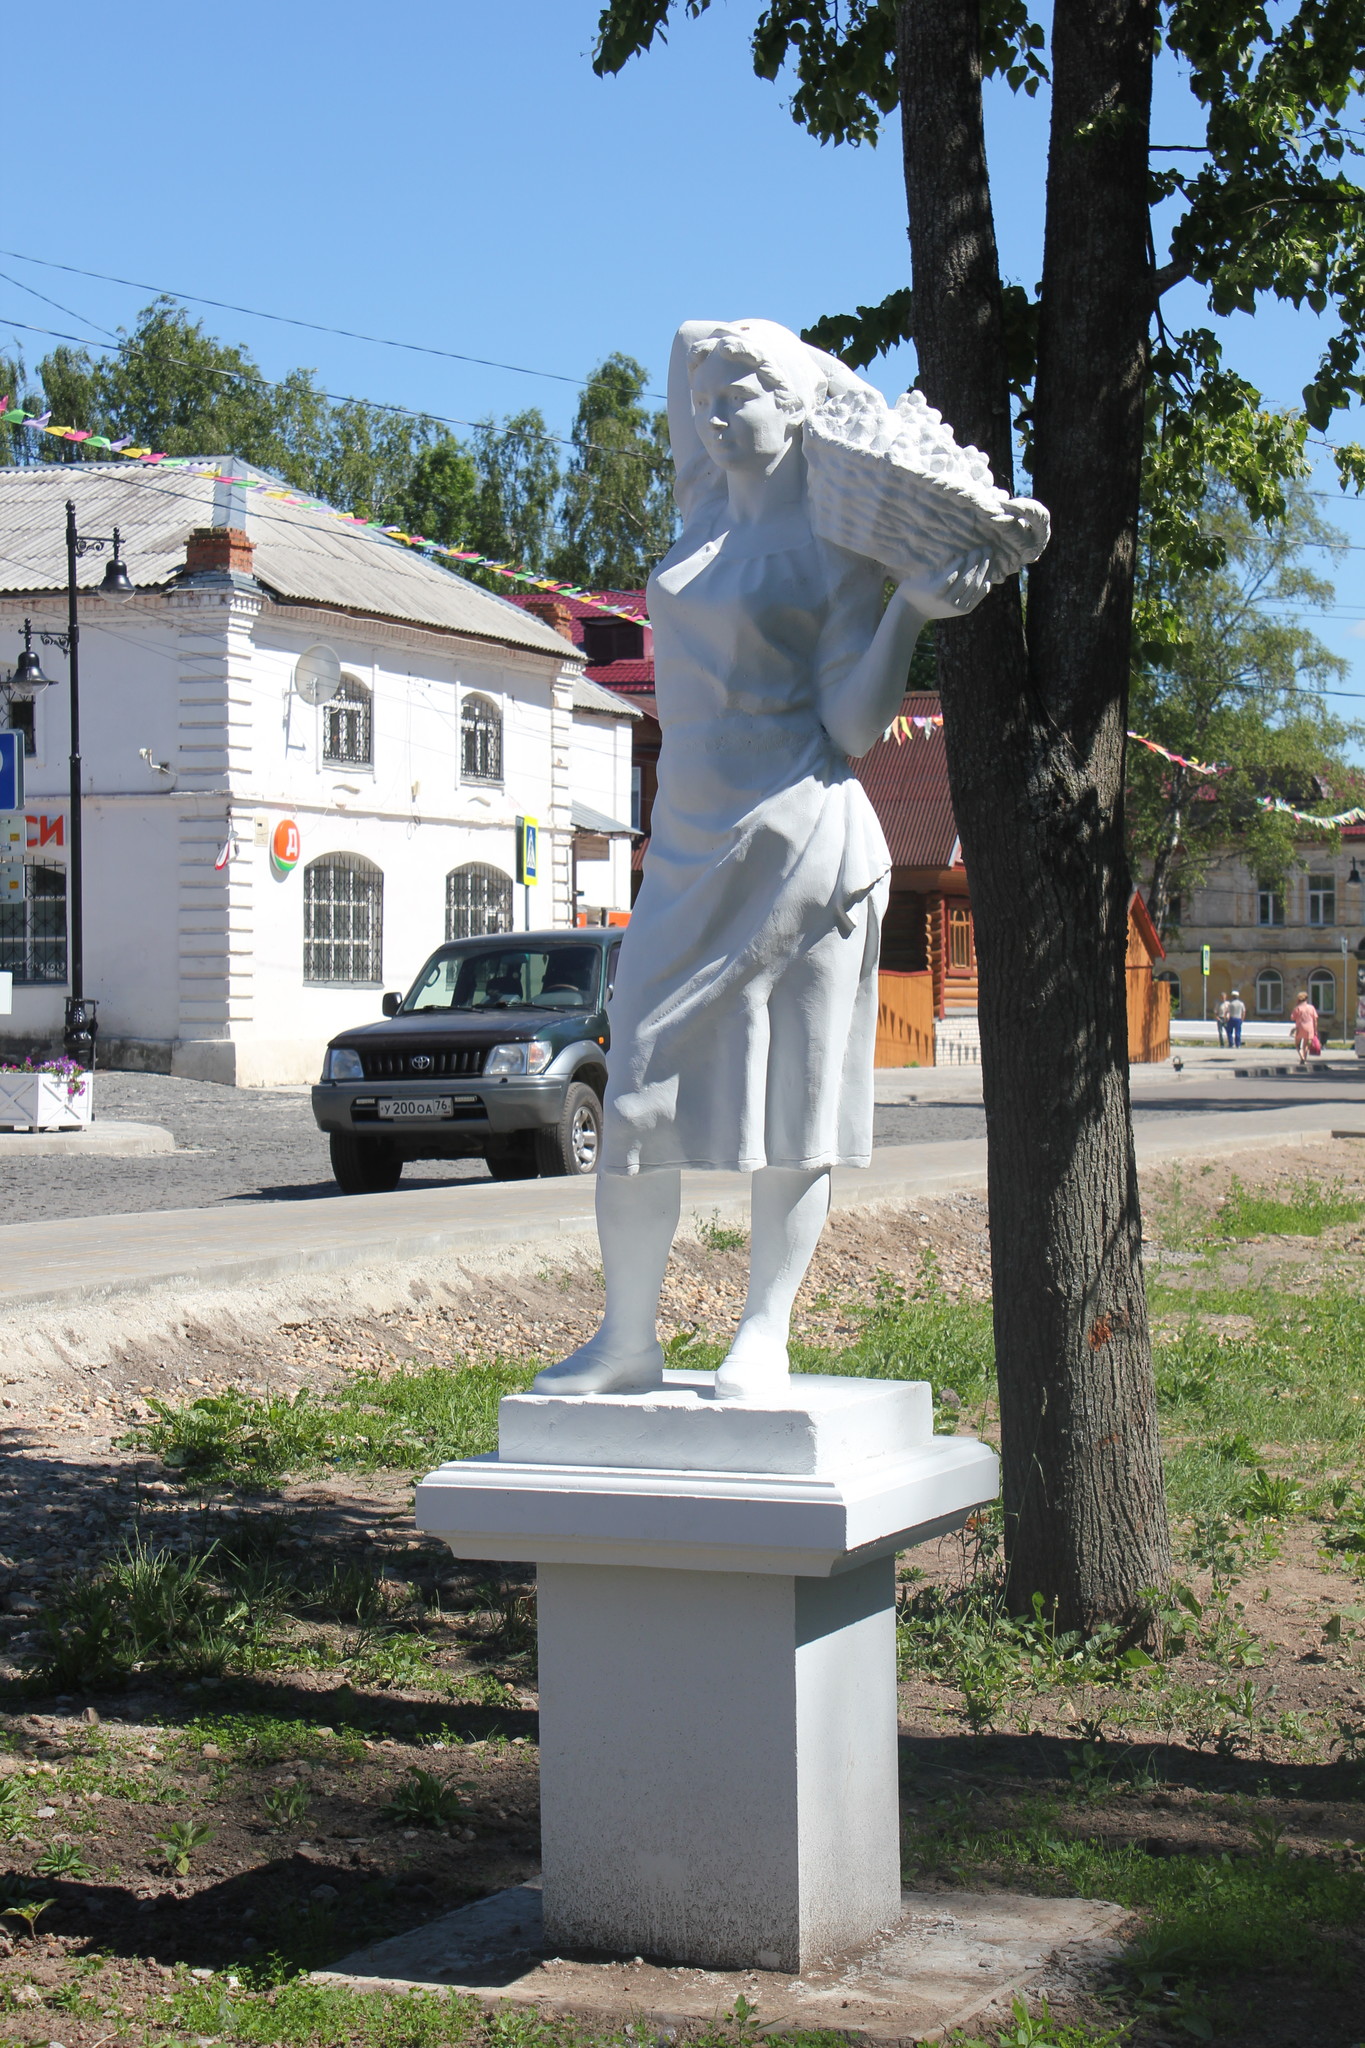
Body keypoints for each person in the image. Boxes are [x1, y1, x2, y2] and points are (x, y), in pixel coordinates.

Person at [532, 318, 1038, 1401]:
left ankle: (764, 1328)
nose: (714, 414)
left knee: (797, 1102)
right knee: (634, 1095)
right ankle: (628, 1335)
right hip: (689, 844)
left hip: (803, 840)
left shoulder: (837, 545)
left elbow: (855, 727)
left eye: (742, 394)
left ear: (797, 407)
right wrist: (723, 353)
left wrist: (911, 605)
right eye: (704, 399)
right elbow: (679, 348)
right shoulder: (699, 525)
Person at [1291, 989, 1319, 1066]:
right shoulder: (1311, 1008)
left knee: (1297, 1044)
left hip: (1299, 1027)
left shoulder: (1298, 1008)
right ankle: (1304, 1058)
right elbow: (1315, 1019)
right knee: (1306, 1045)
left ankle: (1302, 1057)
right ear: (1306, 999)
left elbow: (1292, 1018)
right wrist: (1315, 1030)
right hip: (1309, 1028)